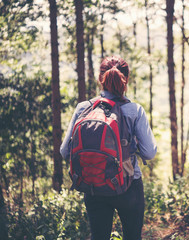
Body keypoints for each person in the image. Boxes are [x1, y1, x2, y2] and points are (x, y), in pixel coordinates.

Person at [60, 56, 157, 240]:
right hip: (128, 185)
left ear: (100, 78)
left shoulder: (83, 108)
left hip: (93, 184)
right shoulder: (135, 111)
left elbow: (65, 151)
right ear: (125, 79)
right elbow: (149, 152)